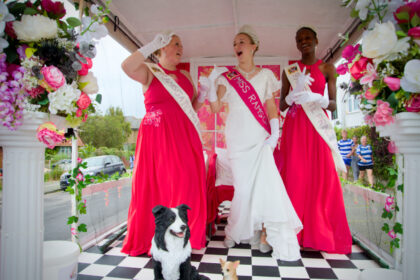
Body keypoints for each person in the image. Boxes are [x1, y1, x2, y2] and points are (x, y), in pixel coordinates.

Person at [201, 25, 302, 261]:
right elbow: (215, 108)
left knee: (262, 187)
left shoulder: (266, 75)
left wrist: (275, 131)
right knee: (244, 188)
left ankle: (260, 234)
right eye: (235, 43)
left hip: (259, 138)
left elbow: (269, 105)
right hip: (237, 139)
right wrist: (214, 84)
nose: (237, 46)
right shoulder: (229, 77)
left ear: (254, 46)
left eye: (242, 42)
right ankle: (235, 230)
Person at [120, 32, 207, 256]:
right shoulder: (150, 71)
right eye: (175, 43)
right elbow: (127, 66)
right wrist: (150, 45)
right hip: (156, 137)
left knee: (185, 183)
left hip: (185, 137)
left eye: (181, 44)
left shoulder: (186, 75)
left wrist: (204, 93)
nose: (181, 48)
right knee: (155, 185)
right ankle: (156, 237)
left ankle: (183, 236)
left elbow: (191, 108)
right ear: (161, 48)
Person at [277, 27, 352, 254]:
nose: (304, 42)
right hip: (295, 128)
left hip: (317, 130)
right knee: (296, 176)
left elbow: (332, 104)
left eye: (307, 38)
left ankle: (321, 232)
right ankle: (294, 234)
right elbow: (281, 105)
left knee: (322, 176)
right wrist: (291, 96)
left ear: (316, 40)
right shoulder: (289, 70)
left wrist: (316, 97)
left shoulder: (328, 68)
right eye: (299, 39)